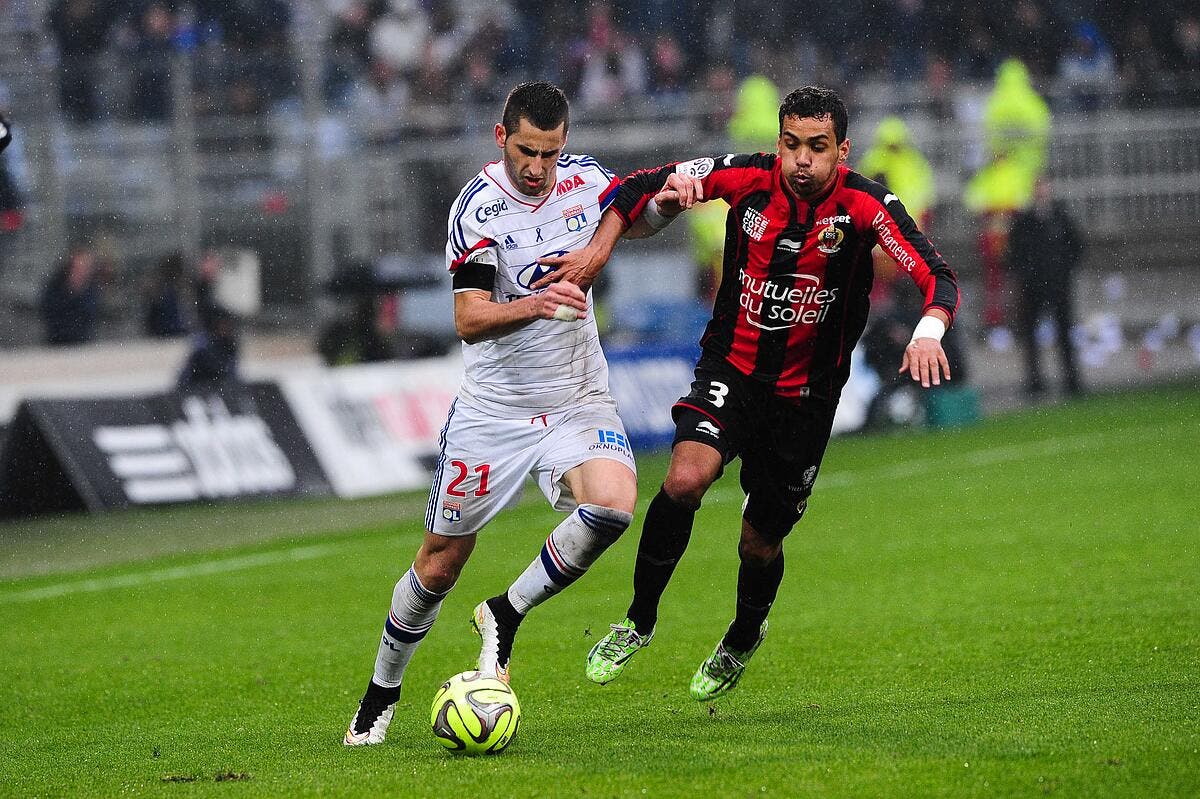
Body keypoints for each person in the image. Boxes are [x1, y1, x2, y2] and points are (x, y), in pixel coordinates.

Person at [534, 86, 960, 701]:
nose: (802, 161)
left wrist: (927, 331)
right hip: (730, 370)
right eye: (791, 146)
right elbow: (632, 188)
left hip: (805, 400)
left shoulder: (867, 206)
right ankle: (638, 621)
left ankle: (743, 632)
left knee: (759, 540)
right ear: (778, 144)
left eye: (817, 148)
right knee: (683, 481)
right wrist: (607, 245)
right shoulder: (743, 177)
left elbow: (936, 275)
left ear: (843, 149)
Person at [343, 81, 662, 746]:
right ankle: (381, 691)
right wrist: (535, 303)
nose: (538, 167)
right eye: (526, 151)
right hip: (495, 413)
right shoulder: (478, 208)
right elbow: (469, 319)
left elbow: (634, 215)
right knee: (438, 563)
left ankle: (504, 612)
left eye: (550, 152)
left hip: (577, 396)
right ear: (500, 137)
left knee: (613, 505)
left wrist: (666, 203)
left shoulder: (587, 181)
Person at [1006, 181, 1084, 396]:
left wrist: (1062, 271)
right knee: (1031, 335)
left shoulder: (1060, 216)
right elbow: (1015, 252)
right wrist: (1028, 274)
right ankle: (1035, 381)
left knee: (1064, 333)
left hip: (1058, 285)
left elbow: (1076, 246)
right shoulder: (1025, 220)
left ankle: (1071, 380)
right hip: (1034, 287)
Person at [39, 244, 103, 345]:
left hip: (84, 345)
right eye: (78, 266)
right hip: (57, 344)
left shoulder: (92, 290)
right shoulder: (56, 286)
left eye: (85, 266)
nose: (81, 270)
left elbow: (91, 317)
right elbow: (50, 313)